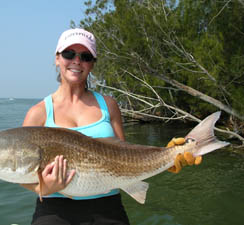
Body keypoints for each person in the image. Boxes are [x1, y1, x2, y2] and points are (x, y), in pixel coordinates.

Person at [21, 28, 202, 225]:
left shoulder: (109, 105)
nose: (76, 61)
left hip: (107, 205)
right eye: (68, 54)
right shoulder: (37, 113)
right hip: (54, 209)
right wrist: (43, 188)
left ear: (92, 65)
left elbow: (125, 157)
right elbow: (21, 174)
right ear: (57, 59)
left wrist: (168, 157)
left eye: (86, 56)